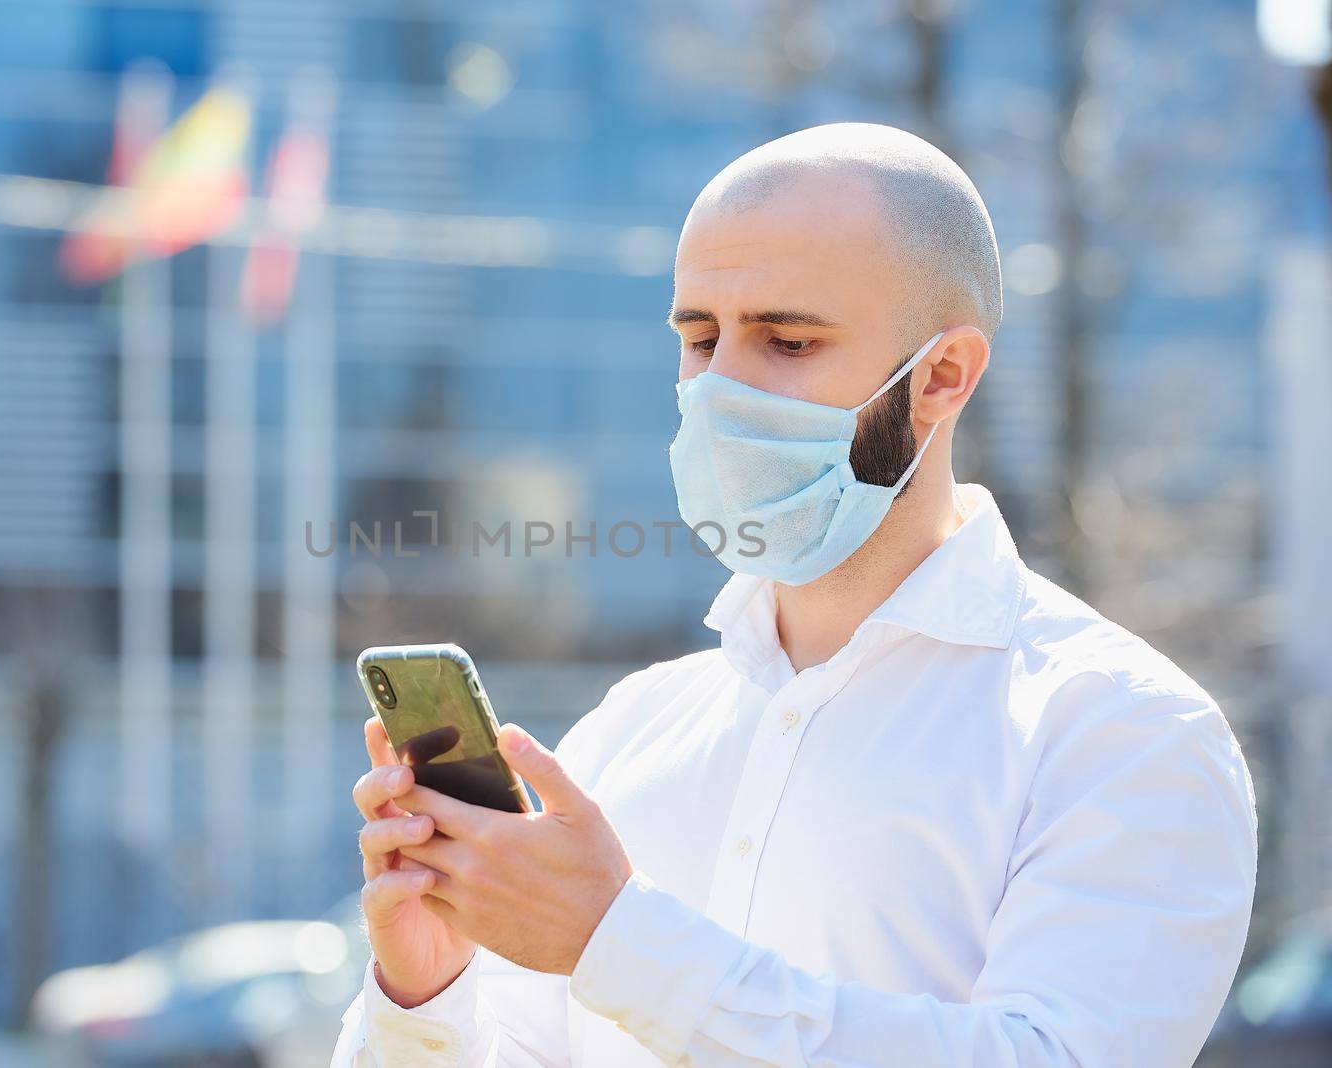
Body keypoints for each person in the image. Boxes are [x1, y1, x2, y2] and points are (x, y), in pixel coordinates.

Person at [331, 122, 1257, 1067]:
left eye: (786, 340)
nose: (720, 387)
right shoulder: (633, 726)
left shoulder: (1121, 729)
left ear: (943, 375)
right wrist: (425, 993)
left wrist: (617, 941)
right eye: (699, 337)